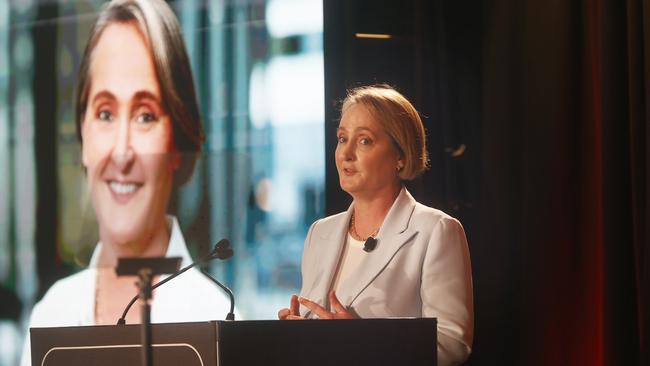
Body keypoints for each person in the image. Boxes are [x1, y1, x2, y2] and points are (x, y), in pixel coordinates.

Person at [21, 1, 235, 365]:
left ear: (177, 144)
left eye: (145, 115)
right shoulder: (51, 313)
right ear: (84, 135)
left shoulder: (220, 323)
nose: (121, 153)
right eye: (105, 113)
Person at [278, 85, 474, 365]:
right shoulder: (319, 233)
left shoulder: (436, 231)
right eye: (342, 138)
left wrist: (362, 341)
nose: (346, 153)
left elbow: (452, 344)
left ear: (400, 155)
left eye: (364, 141)